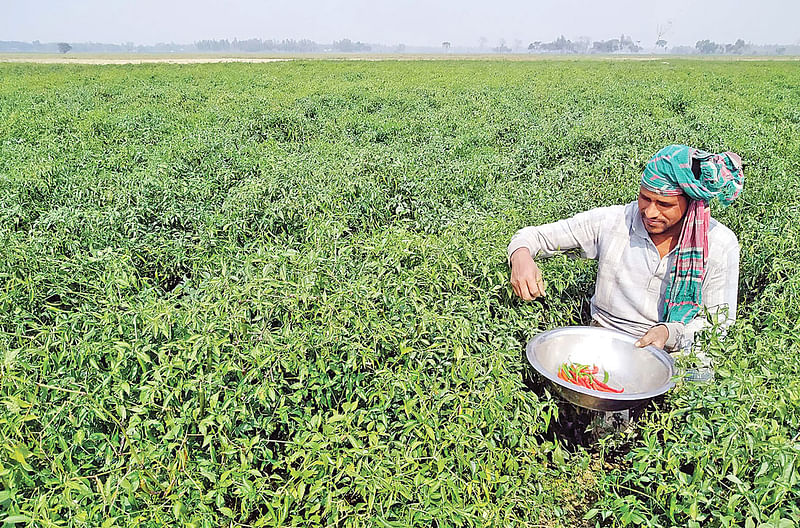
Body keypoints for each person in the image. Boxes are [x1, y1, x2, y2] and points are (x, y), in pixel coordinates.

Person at [508, 144, 744, 352]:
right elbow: (533, 236)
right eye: (645, 198)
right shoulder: (613, 222)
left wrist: (669, 334)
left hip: (677, 351)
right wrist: (521, 256)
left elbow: (719, 325)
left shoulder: (719, 244)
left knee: (700, 377)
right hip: (606, 340)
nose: (650, 212)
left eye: (664, 204)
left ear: (692, 203)